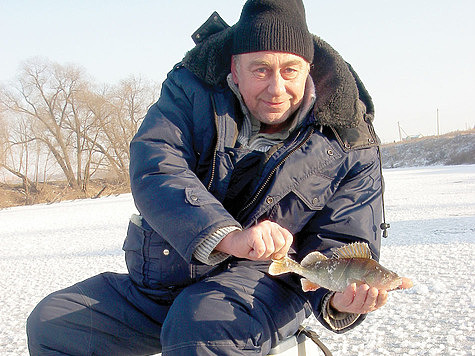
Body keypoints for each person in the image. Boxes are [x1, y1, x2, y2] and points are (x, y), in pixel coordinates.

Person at [27, 0, 410, 355]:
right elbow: (157, 165)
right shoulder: (189, 91)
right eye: (261, 69)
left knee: (199, 326)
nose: (277, 88)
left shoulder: (350, 138)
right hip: (170, 276)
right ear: (235, 69)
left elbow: (343, 240)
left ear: (308, 69)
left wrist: (338, 299)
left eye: (289, 70)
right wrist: (228, 236)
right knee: (54, 324)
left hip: (265, 286)